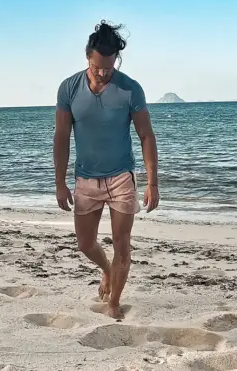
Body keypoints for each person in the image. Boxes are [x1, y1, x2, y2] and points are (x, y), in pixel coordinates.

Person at [53, 20, 159, 319]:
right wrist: (60, 183)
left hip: (121, 177)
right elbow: (61, 136)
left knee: (122, 245)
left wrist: (152, 183)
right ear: (87, 56)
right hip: (85, 179)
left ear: (116, 61)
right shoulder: (69, 88)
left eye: (109, 68)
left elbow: (146, 136)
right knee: (85, 244)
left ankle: (114, 302)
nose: (102, 73)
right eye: (97, 67)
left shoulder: (130, 89)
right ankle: (107, 269)